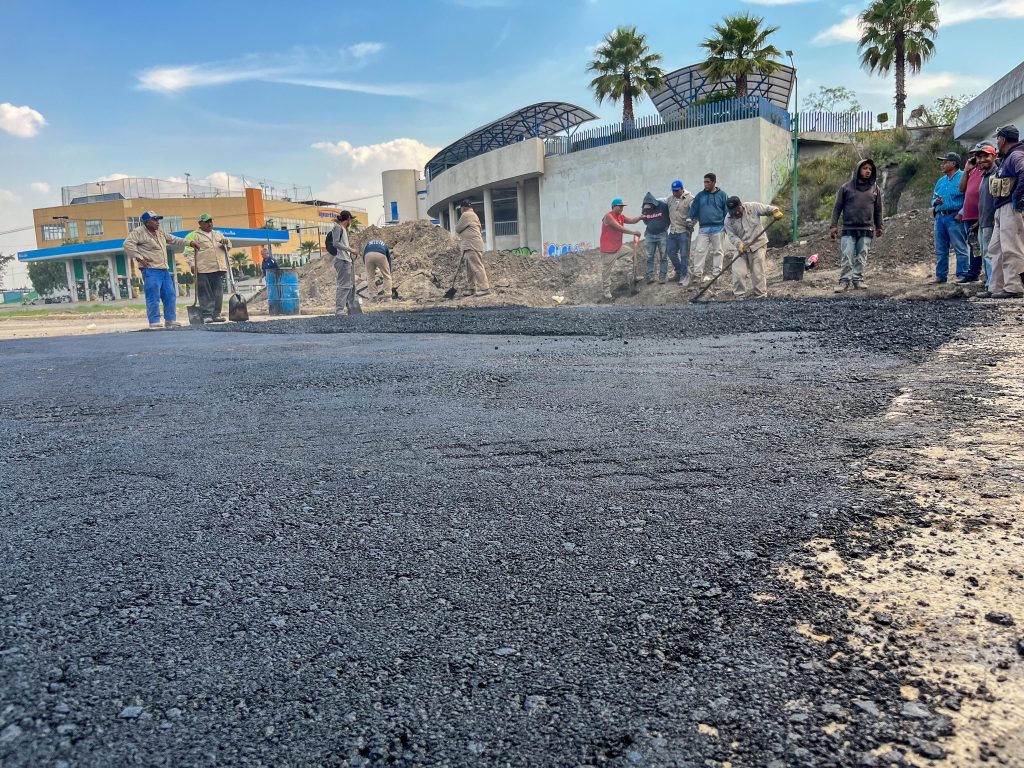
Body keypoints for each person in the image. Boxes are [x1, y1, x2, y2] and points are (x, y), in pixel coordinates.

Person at [122, 211, 193, 329]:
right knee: (153, 296)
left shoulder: (160, 232)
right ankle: (154, 321)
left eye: (158, 220)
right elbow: (127, 244)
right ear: (147, 222)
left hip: (164, 269)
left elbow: (174, 239)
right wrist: (139, 258)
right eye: (155, 220)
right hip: (151, 270)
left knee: (170, 294)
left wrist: (190, 243)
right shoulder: (138, 232)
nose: (157, 222)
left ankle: (170, 320)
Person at [829, 158, 884, 292]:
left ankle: (858, 280)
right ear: (858, 169)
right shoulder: (846, 188)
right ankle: (844, 282)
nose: (868, 171)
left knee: (862, 256)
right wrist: (833, 225)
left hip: (867, 229)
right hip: (849, 228)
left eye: (870, 169)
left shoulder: (875, 189)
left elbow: (878, 210)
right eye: (865, 168)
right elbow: (837, 207)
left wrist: (879, 226)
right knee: (847, 256)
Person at [986, 125, 1024, 299]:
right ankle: (996, 286)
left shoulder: (1015, 155)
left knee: (1011, 247)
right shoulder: (1008, 157)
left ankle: (1014, 287)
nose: (997, 141)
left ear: (1004, 139)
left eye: (998, 138)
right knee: (995, 248)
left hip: (1010, 207)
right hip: (1002, 208)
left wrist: (1017, 196)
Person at [724, 197, 784, 299]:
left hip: (758, 244)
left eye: (737, 210)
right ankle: (739, 296)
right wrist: (739, 244)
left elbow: (766, 209)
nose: (735, 213)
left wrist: (775, 211)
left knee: (757, 272)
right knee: (738, 271)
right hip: (742, 248)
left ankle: (760, 296)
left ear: (741, 206)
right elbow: (731, 236)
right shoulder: (728, 220)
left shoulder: (752, 207)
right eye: (732, 211)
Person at [928, 152, 969, 284]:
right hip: (940, 217)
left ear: (953, 163)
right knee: (940, 249)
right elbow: (933, 198)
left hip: (955, 216)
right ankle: (940, 276)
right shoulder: (941, 181)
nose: (942, 165)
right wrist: (935, 202)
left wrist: (962, 213)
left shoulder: (963, 176)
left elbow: (969, 197)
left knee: (960, 247)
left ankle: (963, 274)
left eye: (945, 162)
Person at [184, 214, 232, 322]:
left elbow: (228, 247)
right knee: (205, 293)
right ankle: (207, 315)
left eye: (211, 221)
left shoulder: (218, 234)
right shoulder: (193, 235)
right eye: (207, 222)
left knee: (218, 293)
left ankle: (216, 314)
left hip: (218, 267)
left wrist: (226, 242)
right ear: (200, 223)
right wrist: (192, 264)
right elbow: (188, 252)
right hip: (202, 269)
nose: (210, 224)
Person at [688, 173, 731, 283]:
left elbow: (726, 212)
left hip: (718, 228)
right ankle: (697, 275)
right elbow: (693, 209)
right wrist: (689, 220)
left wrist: (727, 226)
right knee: (699, 251)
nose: (705, 184)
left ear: (714, 182)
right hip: (703, 229)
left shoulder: (722, 195)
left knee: (718, 252)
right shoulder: (700, 196)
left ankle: (716, 276)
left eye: (707, 182)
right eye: (704, 182)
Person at [956, 145, 989, 284]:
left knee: (985, 246)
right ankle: (974, 272)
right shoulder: (972, 171)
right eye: (976, 155)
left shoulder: (987, 171)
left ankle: (988, 276)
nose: (978, 158)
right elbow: (961, 188)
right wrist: (966, 171)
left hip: (981, 214)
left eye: (981, 155)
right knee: (974, 246)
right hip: (969, 214)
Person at [599, 197, 642, 300]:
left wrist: (640, 217)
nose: (622, 209)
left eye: (622, 207)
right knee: (606, 271)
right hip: (608, 250)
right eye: (620, 207)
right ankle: (606, 293)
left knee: (631, 252)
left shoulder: (621, 216)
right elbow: (619, 228)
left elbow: (631, 220)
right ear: (614, 207)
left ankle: (632, 276)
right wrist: (633, 232)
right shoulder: (608, 216)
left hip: (618, 247)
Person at [972, 144, 1000, 297]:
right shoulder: (984, 176)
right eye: (979, 157)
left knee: (990, 255)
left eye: (985, 156)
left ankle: (993, 286)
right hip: (983, 221)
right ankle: (990, 283)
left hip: (992, 222)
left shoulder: (997, 174)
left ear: (994, 156)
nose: (982, 159)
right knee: (985, 254)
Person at [455, 200, 491, 297]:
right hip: (469, 246)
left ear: (463, 208)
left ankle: (485, 288)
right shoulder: (474, 215)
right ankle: (471, 288)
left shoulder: (466, 215)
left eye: (461, 209)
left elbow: (457, 229)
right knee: (470, 268)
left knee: (477, 266)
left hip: (472, 245)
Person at [330, 211, 362, 315]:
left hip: (347, 260)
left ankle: (350, 308)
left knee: (351, 285)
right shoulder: (338, 227)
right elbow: (335, 243)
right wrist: (350, 249)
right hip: (342, 260)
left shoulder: (343, 229)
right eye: (351, 219)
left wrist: (350, 252)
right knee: (343, 285)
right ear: (348, 219)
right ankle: (339, 310)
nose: (351, 222)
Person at [666, 180, 694, 286]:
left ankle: (684, 276)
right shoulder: (670, 199)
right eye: (673, 191)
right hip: (673, 231)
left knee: (684, 255)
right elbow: (661, 202)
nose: (675, 193)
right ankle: (679, 271)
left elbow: (695, 213)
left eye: (677, 191)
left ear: (682, 189)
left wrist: (691, 224)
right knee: (670, 252)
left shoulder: (690, 199)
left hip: (684, 231)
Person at [640, 191, 671, 283]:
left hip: (662, 234)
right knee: (649, 256)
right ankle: (650, 276)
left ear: (653, 203)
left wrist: (664, 226)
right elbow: (645, 220)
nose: (648, 208)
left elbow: (668, 217)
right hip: (649, 234)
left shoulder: (663, 206)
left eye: (649, 206)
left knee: (663, 256)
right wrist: (651, 226)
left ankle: (662, 276)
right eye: (646, 207)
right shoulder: (645, 209)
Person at [362, 237, 394, 303]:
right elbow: (388, 258)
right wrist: (389, 271)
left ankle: (373, 296)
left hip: (368, 255)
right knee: (386, 276)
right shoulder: (383, 244)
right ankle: (388, 297)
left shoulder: (368, 244)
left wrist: (367, 266)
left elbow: (364, 254)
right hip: (380, 254)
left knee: (370, 276)